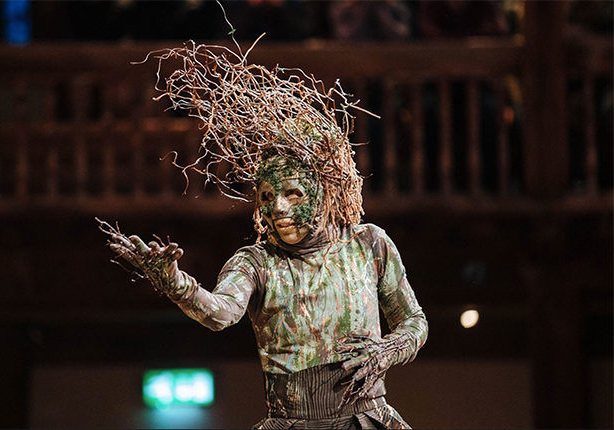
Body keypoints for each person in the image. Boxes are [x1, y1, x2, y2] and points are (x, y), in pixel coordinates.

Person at [99, 38, 428, 429]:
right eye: (268, 196)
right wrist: (176, 284)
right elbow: (220, 313)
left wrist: (387, 350)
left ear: (326, 192)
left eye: (293, 194)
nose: (279, 208)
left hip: (366, 419)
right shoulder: (257, 263)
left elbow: (414, 322)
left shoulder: (369, 244)